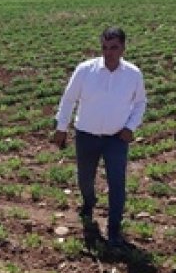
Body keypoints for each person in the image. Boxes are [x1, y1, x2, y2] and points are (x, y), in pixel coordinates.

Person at [52, 26, 148, 248]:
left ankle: (114, 229)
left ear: (123, 48)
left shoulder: (133, 74)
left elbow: (141, 102)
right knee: (85, 178)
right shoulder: (85, 70)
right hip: (86, 135)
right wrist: (61, 127)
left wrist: (131, 126)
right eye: (105, 47)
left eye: (114, 47)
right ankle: (88, 202)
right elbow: (69, 99)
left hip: (116, 138)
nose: (109, 52)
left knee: (117, 183)